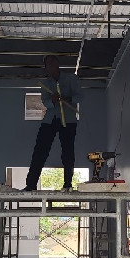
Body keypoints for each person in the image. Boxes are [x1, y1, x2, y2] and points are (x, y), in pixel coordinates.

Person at [24, 55, 81, 191]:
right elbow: (45, 102)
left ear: (57, 63)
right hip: (50, 120)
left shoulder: (71, 78)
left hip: (68, 120)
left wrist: (67, 98)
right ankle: (31, 185)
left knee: (67, 152)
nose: (48, 67)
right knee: (40, 150)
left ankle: (68, 185)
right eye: (46, 64)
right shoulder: (46, 84)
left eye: (50, 63)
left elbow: (80, 96)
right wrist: (53, 100)